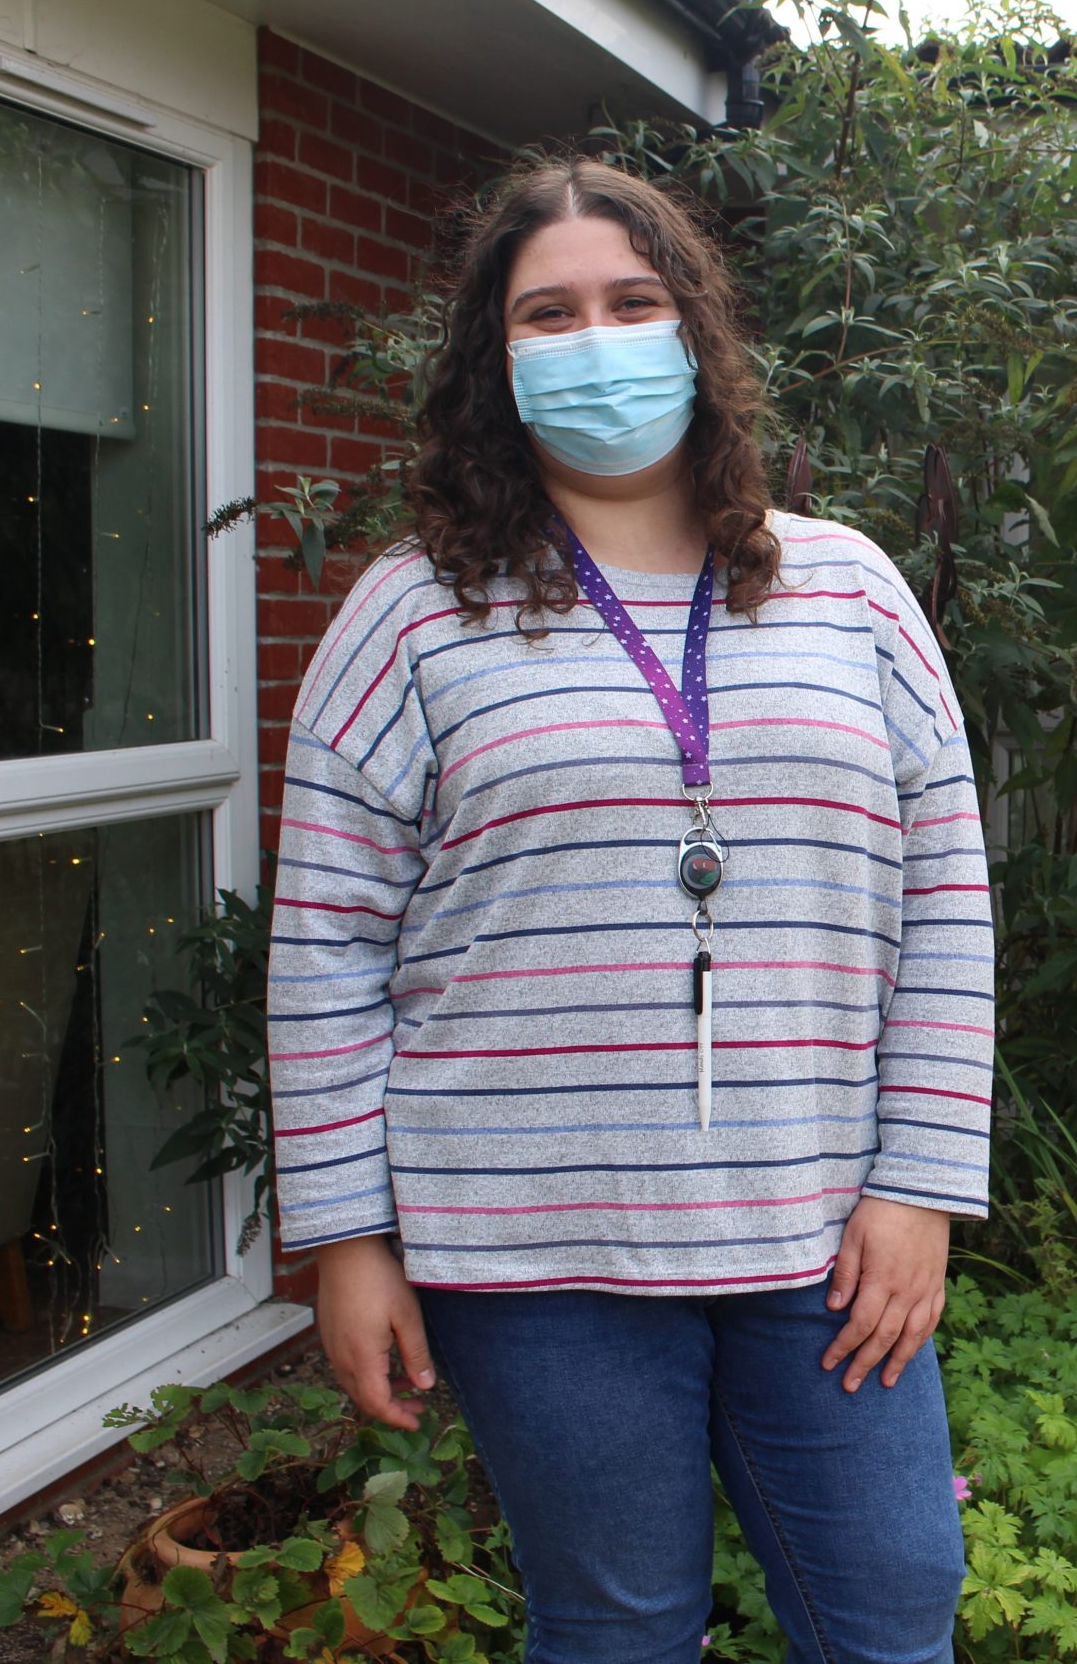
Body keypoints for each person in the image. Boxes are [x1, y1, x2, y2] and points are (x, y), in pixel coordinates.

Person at [265, 154, 994, 1664]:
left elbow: (945, 899)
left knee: (895, 1604)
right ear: (495, 360)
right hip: (535, 1254)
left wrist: (920, 1181)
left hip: (823, 1235)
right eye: (549, 314)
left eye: (631, 301)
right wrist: (348, 1239)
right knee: (616, 1629)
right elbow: (326, 940)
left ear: (694, 333)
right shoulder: (411, 610)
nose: (594, 340)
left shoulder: (852, 591)